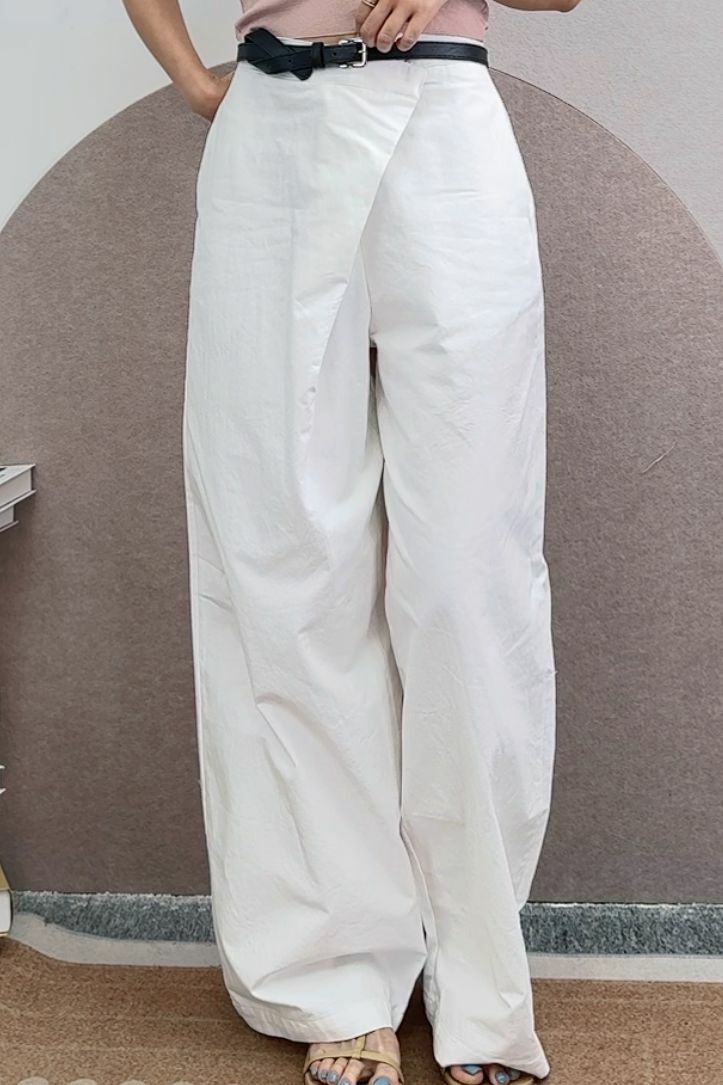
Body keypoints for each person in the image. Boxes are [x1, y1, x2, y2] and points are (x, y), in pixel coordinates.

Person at [122, 1, 582, 1083]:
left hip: (446, 123)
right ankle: (336, 977)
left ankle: (480, 977)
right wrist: (196, 80)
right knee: (283, 561)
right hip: (273, 130)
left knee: (469, 574)